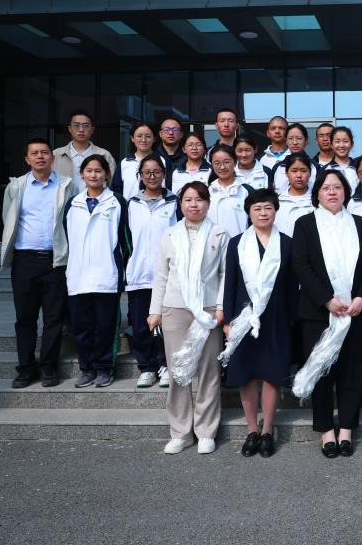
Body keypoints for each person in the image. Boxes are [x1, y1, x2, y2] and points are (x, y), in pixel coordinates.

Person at [291, 170, 362, 458]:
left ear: (345, 192)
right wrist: (327, 299)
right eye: (326, 188)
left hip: (355, 310)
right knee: (322, 370)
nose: (331, 192)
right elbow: (301, 265)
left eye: (337, 187)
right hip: (319, 312)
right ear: (317, 193)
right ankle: (327, 430)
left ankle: (347, 429)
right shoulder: (305, 224)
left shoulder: (361, 224)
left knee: (353, 371)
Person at [147, 181, 229, 455]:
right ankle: (180, 432)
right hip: (175, 308)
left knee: (208, 371)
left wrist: (221, 307)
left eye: (199, 199)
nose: (194, 205)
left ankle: (206, 431)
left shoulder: (219, 233)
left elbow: (224, 274)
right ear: (180, 204)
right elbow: (161, 275)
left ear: (208, 203)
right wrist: (155, 311)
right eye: (188, 200)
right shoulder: (170, 235)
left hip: (207, 310)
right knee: (178, 371)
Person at [222, 188, 296, 459]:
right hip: (243, 316)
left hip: (276, 317)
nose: (263, 213)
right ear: (249, 213)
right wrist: (228, 319)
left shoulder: (287, 244)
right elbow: (229, 283)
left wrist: (290, 319)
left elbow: (292, 286)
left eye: (268, 208)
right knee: (247, 374)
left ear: (275, 211)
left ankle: (267, 430)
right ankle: (251, 429)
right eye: (257, 208)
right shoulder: (236, 243)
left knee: (272, 373)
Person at [1, 137, 78, 388]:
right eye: (34, 153)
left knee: (54, 318)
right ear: (27, 159)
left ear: (52, 157)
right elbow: (8, 219)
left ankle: (48, 367)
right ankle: (25, 369)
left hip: (55, 261)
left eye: (44, 152)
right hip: (24, 261)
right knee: (25, 318)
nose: (40, 156)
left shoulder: (67, 186)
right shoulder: (16, 187)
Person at [64, 154, 131, 389]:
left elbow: (126, 241)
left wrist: (121, 270)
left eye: (99, 171)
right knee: (81, 327)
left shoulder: (117, 202)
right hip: (78, 275)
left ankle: (104, 369)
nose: (94, 175)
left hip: (106, 275)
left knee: (105, 326)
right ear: (82, 174)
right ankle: (87, 369)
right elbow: (68, 237)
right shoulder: (72, 204)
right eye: (89, 170)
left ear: (107, 175)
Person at [124, 155, 177, 389]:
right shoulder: (130, 204)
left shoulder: (174, 202)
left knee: (168, 324)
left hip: (168, 275)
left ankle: (166, 365)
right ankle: (146, 367)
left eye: (157, 172)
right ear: (140, 176)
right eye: (147, 172)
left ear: (164, 175)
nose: (152, 176)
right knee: (140, 324)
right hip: (138, 274)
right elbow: (124, 238)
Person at [52, 109, 116, 190]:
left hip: (96, 198)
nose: (81, 129)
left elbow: (112, 185)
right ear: (70, 129)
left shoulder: (105, 155)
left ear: (92, 130)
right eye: (76, 125)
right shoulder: (56, 155)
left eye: (85, 125)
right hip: (63, 198)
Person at [207, 144, 250, 239]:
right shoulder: (207, 192)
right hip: (212, 245)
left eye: (226, 162)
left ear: (235, 162)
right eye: (217, 163)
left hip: (240, 244)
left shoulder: (246, 191)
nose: (222, 167)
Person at [112, 122, 162, 200]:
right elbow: (116, 191)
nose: (143, 140)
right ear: (132, 138)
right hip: (130, 207)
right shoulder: (124, 163)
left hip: (159, 206)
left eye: (148, 136)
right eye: (139, 136)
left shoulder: (163, 161)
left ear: (154, 139)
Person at [272, 152, 315, 237]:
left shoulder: (317, 202)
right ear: (286, 173)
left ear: (310, 173)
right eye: (294, 171)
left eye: (303, 171)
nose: (299, 175)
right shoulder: (276, 201)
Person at [268, 123, 317, 194]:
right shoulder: (278, 167)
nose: (294, 142)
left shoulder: (315, 167)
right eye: (290, 138)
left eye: (299, 138)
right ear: (286, 141)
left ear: (305, 141)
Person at [170, 132, 211, 197]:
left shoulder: (211, 171)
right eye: (190, 145)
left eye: (198, 144)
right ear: (184, 149)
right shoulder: (176, 172)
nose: (194, 148)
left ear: (204, 148)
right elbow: (175, 196)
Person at [323, 126, 360, 191]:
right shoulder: (325, 170)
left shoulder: (359, 168)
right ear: (331, 145)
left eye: (345, 141)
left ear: (352, 144)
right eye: (337, 141)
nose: (341, 145)